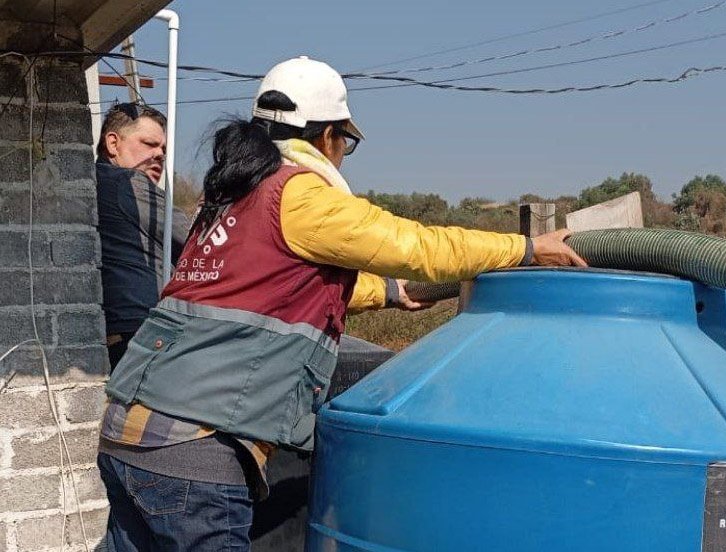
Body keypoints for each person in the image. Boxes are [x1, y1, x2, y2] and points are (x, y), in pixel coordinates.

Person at [97, 56, 587, 551]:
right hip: (195, 452)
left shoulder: (232, 199)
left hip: (130, 435)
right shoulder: (299, 194)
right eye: (345, 141)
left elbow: (279, 286)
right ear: (327, 135)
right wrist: (526, 248)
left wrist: (390, 293)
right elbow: (415, 245)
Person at [95, 102, 191, 368]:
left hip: (117, 330)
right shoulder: (126, 182)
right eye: (149, 144)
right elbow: (196, 237)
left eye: (163, 149)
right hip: (142, 329)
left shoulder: (96, 182)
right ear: (113, 144)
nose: (159, 154)